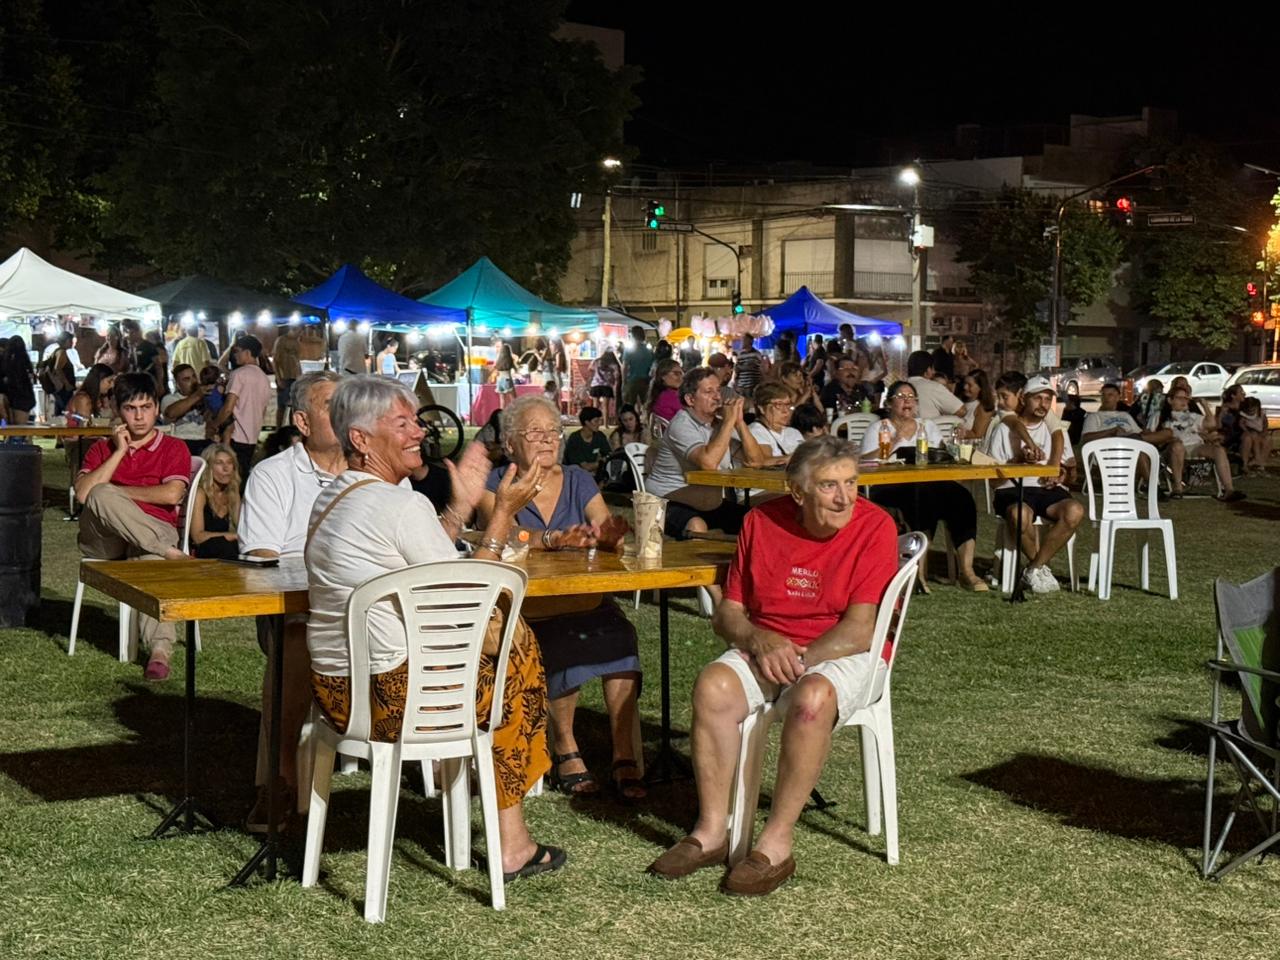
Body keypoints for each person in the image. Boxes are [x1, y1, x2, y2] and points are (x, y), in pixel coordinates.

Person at [306, 376, 564, 880]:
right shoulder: (400, 504)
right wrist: (502, 514)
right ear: (360, 438)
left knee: (505, 652)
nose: (419, 432)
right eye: (402, 423)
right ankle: (512, 843)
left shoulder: (333, 496)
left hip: (337, 694)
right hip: (396, 702)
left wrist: (462, 507)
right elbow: (472, 602)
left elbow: (425, 560)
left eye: (416, 422)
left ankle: (486, 804)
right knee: (515, 652)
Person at [647, 436, 898, 895]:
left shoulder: (874, 526)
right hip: (770, 644)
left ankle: (776, 842)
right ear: (797, 491)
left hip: (843, 652)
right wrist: (758, 640)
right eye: (829, 486)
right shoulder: (760, 522)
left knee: (812, 698)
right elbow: (728, 614)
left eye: (851, 483)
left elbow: (861, 629)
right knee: (713, 686)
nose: (844, 498)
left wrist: (801, 659)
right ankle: (712, 832)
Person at [474, 395, 643, 800]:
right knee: (559, 642)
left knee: (621, 637)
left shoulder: (577, 479)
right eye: (535, 432)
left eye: (553, 431)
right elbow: (505, 532)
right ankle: (565, 746)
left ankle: (624, 752)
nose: (548, 439)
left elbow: (603, 526)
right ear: (510, 443)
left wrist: (609, 536)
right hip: (527, 606)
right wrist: (551, 539)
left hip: (582, 598)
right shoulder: (497, 484)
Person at [237, 371, 345, 832]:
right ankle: (279, 781)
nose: (345, 413)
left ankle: (448, 759)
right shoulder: (274, 474)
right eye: (331, 406)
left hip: (368, 610)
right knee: (298, 635)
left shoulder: (374, 469)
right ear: (302, 421)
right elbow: (262, 558)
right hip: (297, 609)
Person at [74, 373, 192, 680]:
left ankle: (160, 651)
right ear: (117, 410)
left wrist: (118, 493)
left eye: (146, 407)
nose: (139, 416)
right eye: (130, 408)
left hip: (149, 532)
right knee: (99, 493)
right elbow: (84, 495)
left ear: (156, 409)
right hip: (105, 539)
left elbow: (172, 494)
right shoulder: (101, 449)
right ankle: (168, 552)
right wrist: (119, 452)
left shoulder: (173, 447)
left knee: (152, 561)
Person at [858, 381, 987, 591]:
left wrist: (955, 444)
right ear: (889, 403)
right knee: (922, 498)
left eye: (911, 397)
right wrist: (893, 442)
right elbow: (864, 462)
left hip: (929, 484)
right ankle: (917, 572)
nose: (907, 401)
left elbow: (943, 455)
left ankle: (967, 571)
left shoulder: (927, 426)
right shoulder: (880, 427)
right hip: (890, 487)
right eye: (901, 397)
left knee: (962, 498)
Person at [986, 376, 1084, 594]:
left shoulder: (1055, 430)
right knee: (1019, 515)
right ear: (1024, 399)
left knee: (1075, 510)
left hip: (1047, 490)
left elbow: (1071, 476)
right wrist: (1017, 461)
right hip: (1012, 488)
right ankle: (1040, 568)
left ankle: (1033, 568)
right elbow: (993, 480)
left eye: (1048, 399)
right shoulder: (1003, 429)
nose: (1043, 404)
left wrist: (1063, 475)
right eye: (1038, 398)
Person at [646, 368, 769, 539]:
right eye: (708, 391)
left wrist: (739, 423)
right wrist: (728, 422)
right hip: (667, 500)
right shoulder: (682, 424)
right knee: (697, 526)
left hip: (708, 504)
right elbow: (708, 463)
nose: (717, 397)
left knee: (755, 521)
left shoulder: (718, 424)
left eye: (718, 390)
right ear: (690, 399)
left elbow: (756, 461)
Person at [1079, 382, 1183, 488]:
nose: (1106, 398)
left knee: (1168, 432)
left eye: (1110, 395)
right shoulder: (1094, 416)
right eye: (1103, 395)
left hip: (1133, 441)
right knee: (1139, 449)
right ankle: (1153, 487)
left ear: (1117, 397)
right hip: (1112, 448)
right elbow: (1086, 438)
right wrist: (1111, 431)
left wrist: (1155, 434)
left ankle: (1135, 440)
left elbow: (1139, 432)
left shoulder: (1125, 415)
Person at [1159, 385, 1244, 502]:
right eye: (1180, 398)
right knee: (1177, 446)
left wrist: (1204, 405)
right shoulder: (1162, 417)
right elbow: (1153, 434)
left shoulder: (1192, 416)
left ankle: (1229, 490)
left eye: (1186, 398)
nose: (1184, 401)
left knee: (1218, 450)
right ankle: (1178, 488)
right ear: (1170, 400)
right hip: (1172, 448)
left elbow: (1211, 424)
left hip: (1195, 447)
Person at [210, 334, 271, 482]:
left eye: (237, 351)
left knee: (228, 478)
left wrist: (214, 425)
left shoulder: (238, 374)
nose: (234, 355)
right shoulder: (264, 378)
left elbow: (228, 408)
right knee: (242, 478)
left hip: (235, 435)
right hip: (253, 436)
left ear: (247, 352)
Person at [190, 443, 242, 560]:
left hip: (227, 550)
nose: (226, 468)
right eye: (219, 463)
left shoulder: (233, 494)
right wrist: (230, 536)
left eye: (229, 462)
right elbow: (197, 537)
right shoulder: (200, 494)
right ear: (209, 468)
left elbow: (240, 529)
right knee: (225, 546)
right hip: (204, 549)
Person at [161, 363, 214, 456]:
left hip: (203, 441)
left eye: (194, 376)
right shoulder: (170, 399)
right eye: (187, 379)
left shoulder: (204, 398)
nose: (193, 381)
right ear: (177, 384)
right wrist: (197, 395)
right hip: (181, 440)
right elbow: (171, 413)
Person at [747, 382, 803, 461]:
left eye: (788, 405)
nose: (786, 411)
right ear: (762, 408)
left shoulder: (793, 432)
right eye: (779, 405)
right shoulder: (755, 431)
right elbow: (764, 462)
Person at [905, 351, 964, 420]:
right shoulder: (933, 387)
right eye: (933, 368)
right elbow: (961, 411)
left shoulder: (899, 388)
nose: (934, 372)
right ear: (927, 370)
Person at [562, 405, 612, 477]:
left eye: (600, 420)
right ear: (587, 422)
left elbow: (609, 455)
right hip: (574, 476)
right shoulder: (575, 439)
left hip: (595, 475)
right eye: (596, 421)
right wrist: (601, 462)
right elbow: (585, 467)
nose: (599, 423)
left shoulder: (600, 436)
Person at [271, 325, 303, 427]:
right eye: (299, 332)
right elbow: (275, 360)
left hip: (295, 377)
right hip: (284, 377)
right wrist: (279, 378)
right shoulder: (281, 340)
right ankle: (279, 429)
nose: (300, 334)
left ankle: (291, 428)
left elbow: (297, 361)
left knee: (294, 406)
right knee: (282, 406)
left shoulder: (297, 342)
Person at [1, 335, 36, 423]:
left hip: (9, 398)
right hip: (23, 400)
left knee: (8, 426)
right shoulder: (25, 363)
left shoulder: (5, 362)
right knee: (20, 427)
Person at [957, 370, 997, 441]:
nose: (965, 387)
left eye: (970, 385)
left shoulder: (982, 407)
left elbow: (978, 434)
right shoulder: (960, 401)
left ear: (980, 387)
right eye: (965, 383)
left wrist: (957, 432)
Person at [621, 326, 654, 406]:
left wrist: (624, 381)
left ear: (633, 336)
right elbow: (651, 367)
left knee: (629, 405)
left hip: (632, 380)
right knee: (646, 404)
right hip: (645, 381)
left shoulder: (629, 350)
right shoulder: (648, 351)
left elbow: (625, 367)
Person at [588, 347, 621, 424]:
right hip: (606, 385)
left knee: (595, 406)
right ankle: (606, 424)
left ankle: (594, 423)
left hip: (595, 384)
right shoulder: (613, 363)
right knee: (605, 406)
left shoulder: (596, 361)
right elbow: (617, 375)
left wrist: (596, 373)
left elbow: (590, 368)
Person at [647, 358, 685, 424]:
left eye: (681, 373)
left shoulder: (659, 395)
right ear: (663, 376)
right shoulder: (669, 396)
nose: (680, 377)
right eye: (676, 374)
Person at [1239, 396, 1269, 475]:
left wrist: (1264, 431)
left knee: (1266, 440)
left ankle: (1260, 464)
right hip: (1250, 431)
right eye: (1249, 410)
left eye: (1253, 410)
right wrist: (1246, 430)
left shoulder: (1261, 413)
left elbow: (1265, 423)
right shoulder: (1244, 415)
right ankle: (1257, 457)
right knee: (1254, 437)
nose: (1251, 412)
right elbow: (1241, 424)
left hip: (1260, 432)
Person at [493, 340, 516, 409]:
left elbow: (494, 367)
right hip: (507, 379)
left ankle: (501, 412)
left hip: (499, 380)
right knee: (513, 399)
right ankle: (514, 412)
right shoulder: (510, 359)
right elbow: (515, 368)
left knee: (502, 400)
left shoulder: (498, 359)